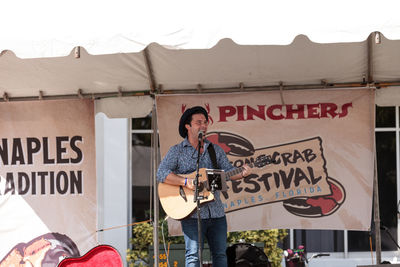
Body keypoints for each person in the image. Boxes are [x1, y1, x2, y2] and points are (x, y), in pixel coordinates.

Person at [157, 106, 252, 267]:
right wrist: (186, 182)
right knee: (193, 256)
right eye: (198, 122)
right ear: (188, 126)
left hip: (216, 212)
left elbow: (228, 172)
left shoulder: (214, 150)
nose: (204, 126)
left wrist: (242, 172)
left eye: (205, 122)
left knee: (220, 255)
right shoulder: (178, 151)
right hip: (191, 215)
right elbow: (161, 173)